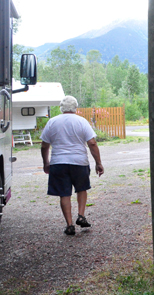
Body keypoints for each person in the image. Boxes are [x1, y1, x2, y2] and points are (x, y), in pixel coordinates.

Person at [41, 96, 104, 235]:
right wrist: (98, 163)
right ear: (76, 107)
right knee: (81, 189)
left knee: (64, 193)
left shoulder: (53, 122)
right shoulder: (82, 121)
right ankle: (81, 216)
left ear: (61, 107)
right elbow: (92, 143)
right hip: (79, 162)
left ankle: (69, 225)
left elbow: (45, 145)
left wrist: (46, 163)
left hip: (58, 162)